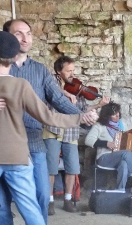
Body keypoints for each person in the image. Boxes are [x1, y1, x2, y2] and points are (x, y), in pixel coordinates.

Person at [0, 19, 97, 225]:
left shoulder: (38, 71)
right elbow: (48, 115)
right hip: (19, 153)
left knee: (39, 199)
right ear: (9, 42)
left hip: (30, 146)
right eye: (19, 34)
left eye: (28, 33)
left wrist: (80, 116)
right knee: (13, 205)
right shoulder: (20, 84)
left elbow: (58, 101)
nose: (26, 38)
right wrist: (78, 118)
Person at [44, 56, 110, 215]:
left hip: (71, 130)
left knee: (72, 167)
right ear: (59, 71)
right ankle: (50, 201)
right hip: (53, 129)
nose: (72, 74)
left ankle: (68, 199)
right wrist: (66, 93)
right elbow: (51, 87)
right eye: (69, 71)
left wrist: (98, 105)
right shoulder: (50, 81)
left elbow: (81, 111)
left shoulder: (76, 89)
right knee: (51, 168)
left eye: (73, 70)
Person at [85, 102, 132, 192]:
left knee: (124, 164)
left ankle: (120, 192)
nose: (117, 115)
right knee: (126, 153)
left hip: (118, 157)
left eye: (118, 112)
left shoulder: (120, 126)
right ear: (107, 115)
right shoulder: (99, 126)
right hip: (103, 158)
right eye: (114, 113)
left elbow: (129, 142)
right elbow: (88, 141)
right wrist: (106, 143)